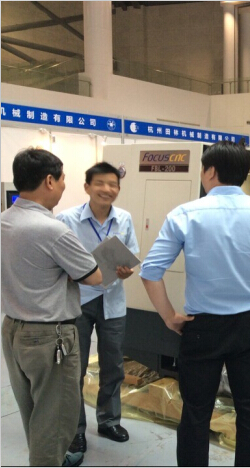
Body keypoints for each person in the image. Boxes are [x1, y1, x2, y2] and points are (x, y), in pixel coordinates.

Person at [140, 141, 250, 467]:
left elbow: (150, 272)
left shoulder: (185, 214)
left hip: (201, 328)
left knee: (196, 411)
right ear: (245, 174)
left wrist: (169, 317)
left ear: (210, 171)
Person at [1, 148, 102, 467]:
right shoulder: (53, 229)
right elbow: (94, 276)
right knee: (55, 421)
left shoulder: (5, 221)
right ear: (48, 181)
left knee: (35, 412)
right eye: (61, 180)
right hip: (49, 337)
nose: (62, 187)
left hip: (13, 330)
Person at [56, 162, 139, 455]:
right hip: (77, 301)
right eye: (101, 183)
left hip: (112, 301)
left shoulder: (124, 218)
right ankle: (75, 430)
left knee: (113, 366)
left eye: (113, 184)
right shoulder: (67, 219)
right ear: (87, 187)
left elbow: (130, 254)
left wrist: (126, 270)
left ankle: (108, 421)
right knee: (73, 369)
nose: (107, 189)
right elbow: (57, 260)